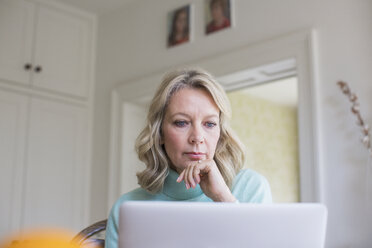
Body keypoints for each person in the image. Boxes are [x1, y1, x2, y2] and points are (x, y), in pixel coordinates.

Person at [105, 68, 272, 248]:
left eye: (209, 124)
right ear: (159, 132)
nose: (197, 137)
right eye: (181, 122)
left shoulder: (250, 188)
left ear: (220, 133)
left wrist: (223, 199)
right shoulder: (128, 207)